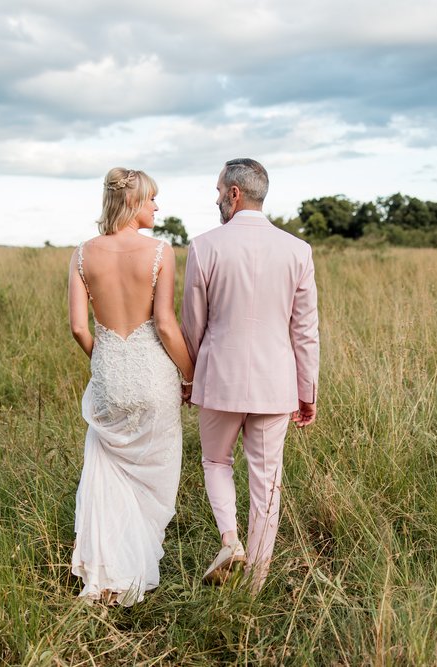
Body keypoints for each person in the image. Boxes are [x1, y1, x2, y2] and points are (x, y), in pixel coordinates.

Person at [180, 158, 319, 593]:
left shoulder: (204, 246)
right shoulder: (298, 250)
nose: (217, 198)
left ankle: (230, 540)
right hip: (276, 385)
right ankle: (255, 583)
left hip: (218, 378)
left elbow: (192, 325)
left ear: (234, 194)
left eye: (219, 190)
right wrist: (307, 391)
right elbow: (305, 330)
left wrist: (188, 379)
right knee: (267, 481)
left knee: (215, 461)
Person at [68, 167, 195, 606]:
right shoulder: (161, 251)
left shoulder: (83, 254)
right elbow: (164, 324)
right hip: (153, 376)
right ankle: (134, 568)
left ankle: (105, 575)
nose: (158, 207)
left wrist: (104, 360)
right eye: (152, 199)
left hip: (108, 377)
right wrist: (190, 374)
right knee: (153, 478)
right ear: (133, 203)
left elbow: (79, 328)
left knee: (107, 473)